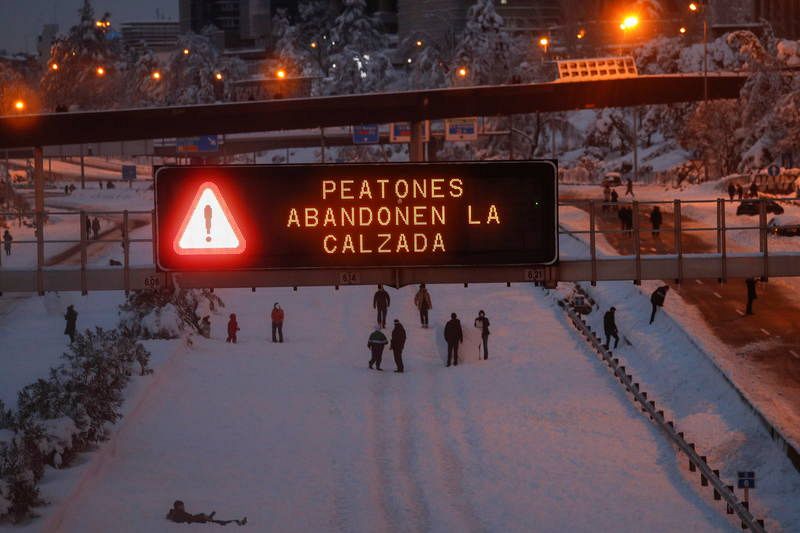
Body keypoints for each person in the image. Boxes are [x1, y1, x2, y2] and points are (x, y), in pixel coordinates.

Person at [166, 500, 246, 526]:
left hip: (194, 519)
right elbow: (184, 519)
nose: (183, 507)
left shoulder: (177, 512)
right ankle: (236, 522)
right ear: (178, 506)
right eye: (182, 506)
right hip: (194, 520)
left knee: (209, 518)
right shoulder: (178, 513)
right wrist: (196, 518)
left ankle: (235, 521)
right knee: (217, 522)